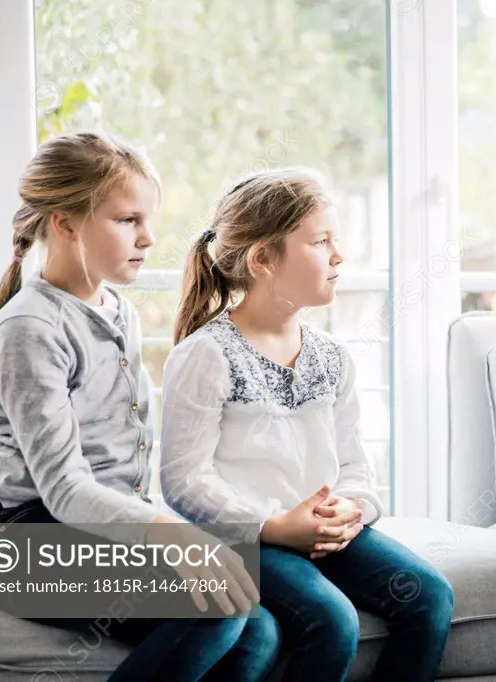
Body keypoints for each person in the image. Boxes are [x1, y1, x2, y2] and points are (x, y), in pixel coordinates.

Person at [0, 131, 276, 681]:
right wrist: (173, 534)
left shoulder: (118, 310)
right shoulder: (29, 329)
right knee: (215, 615)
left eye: (146, 220)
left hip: (85, 531)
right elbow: (63, 489)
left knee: (259, 628)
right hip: (11, 544)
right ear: (65, 224)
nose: (148, 237)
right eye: (127, 220)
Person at [159, 167, 455, 682]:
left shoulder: (334, 357)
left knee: (429, 598)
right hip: (244, 540)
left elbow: (355, 467)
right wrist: (272, 526)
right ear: (263, 259)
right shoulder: (205, 355)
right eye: (320, 242)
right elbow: (183, 481)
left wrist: (354, 508)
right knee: (332, 620)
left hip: (325, 532)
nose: (338, 256)